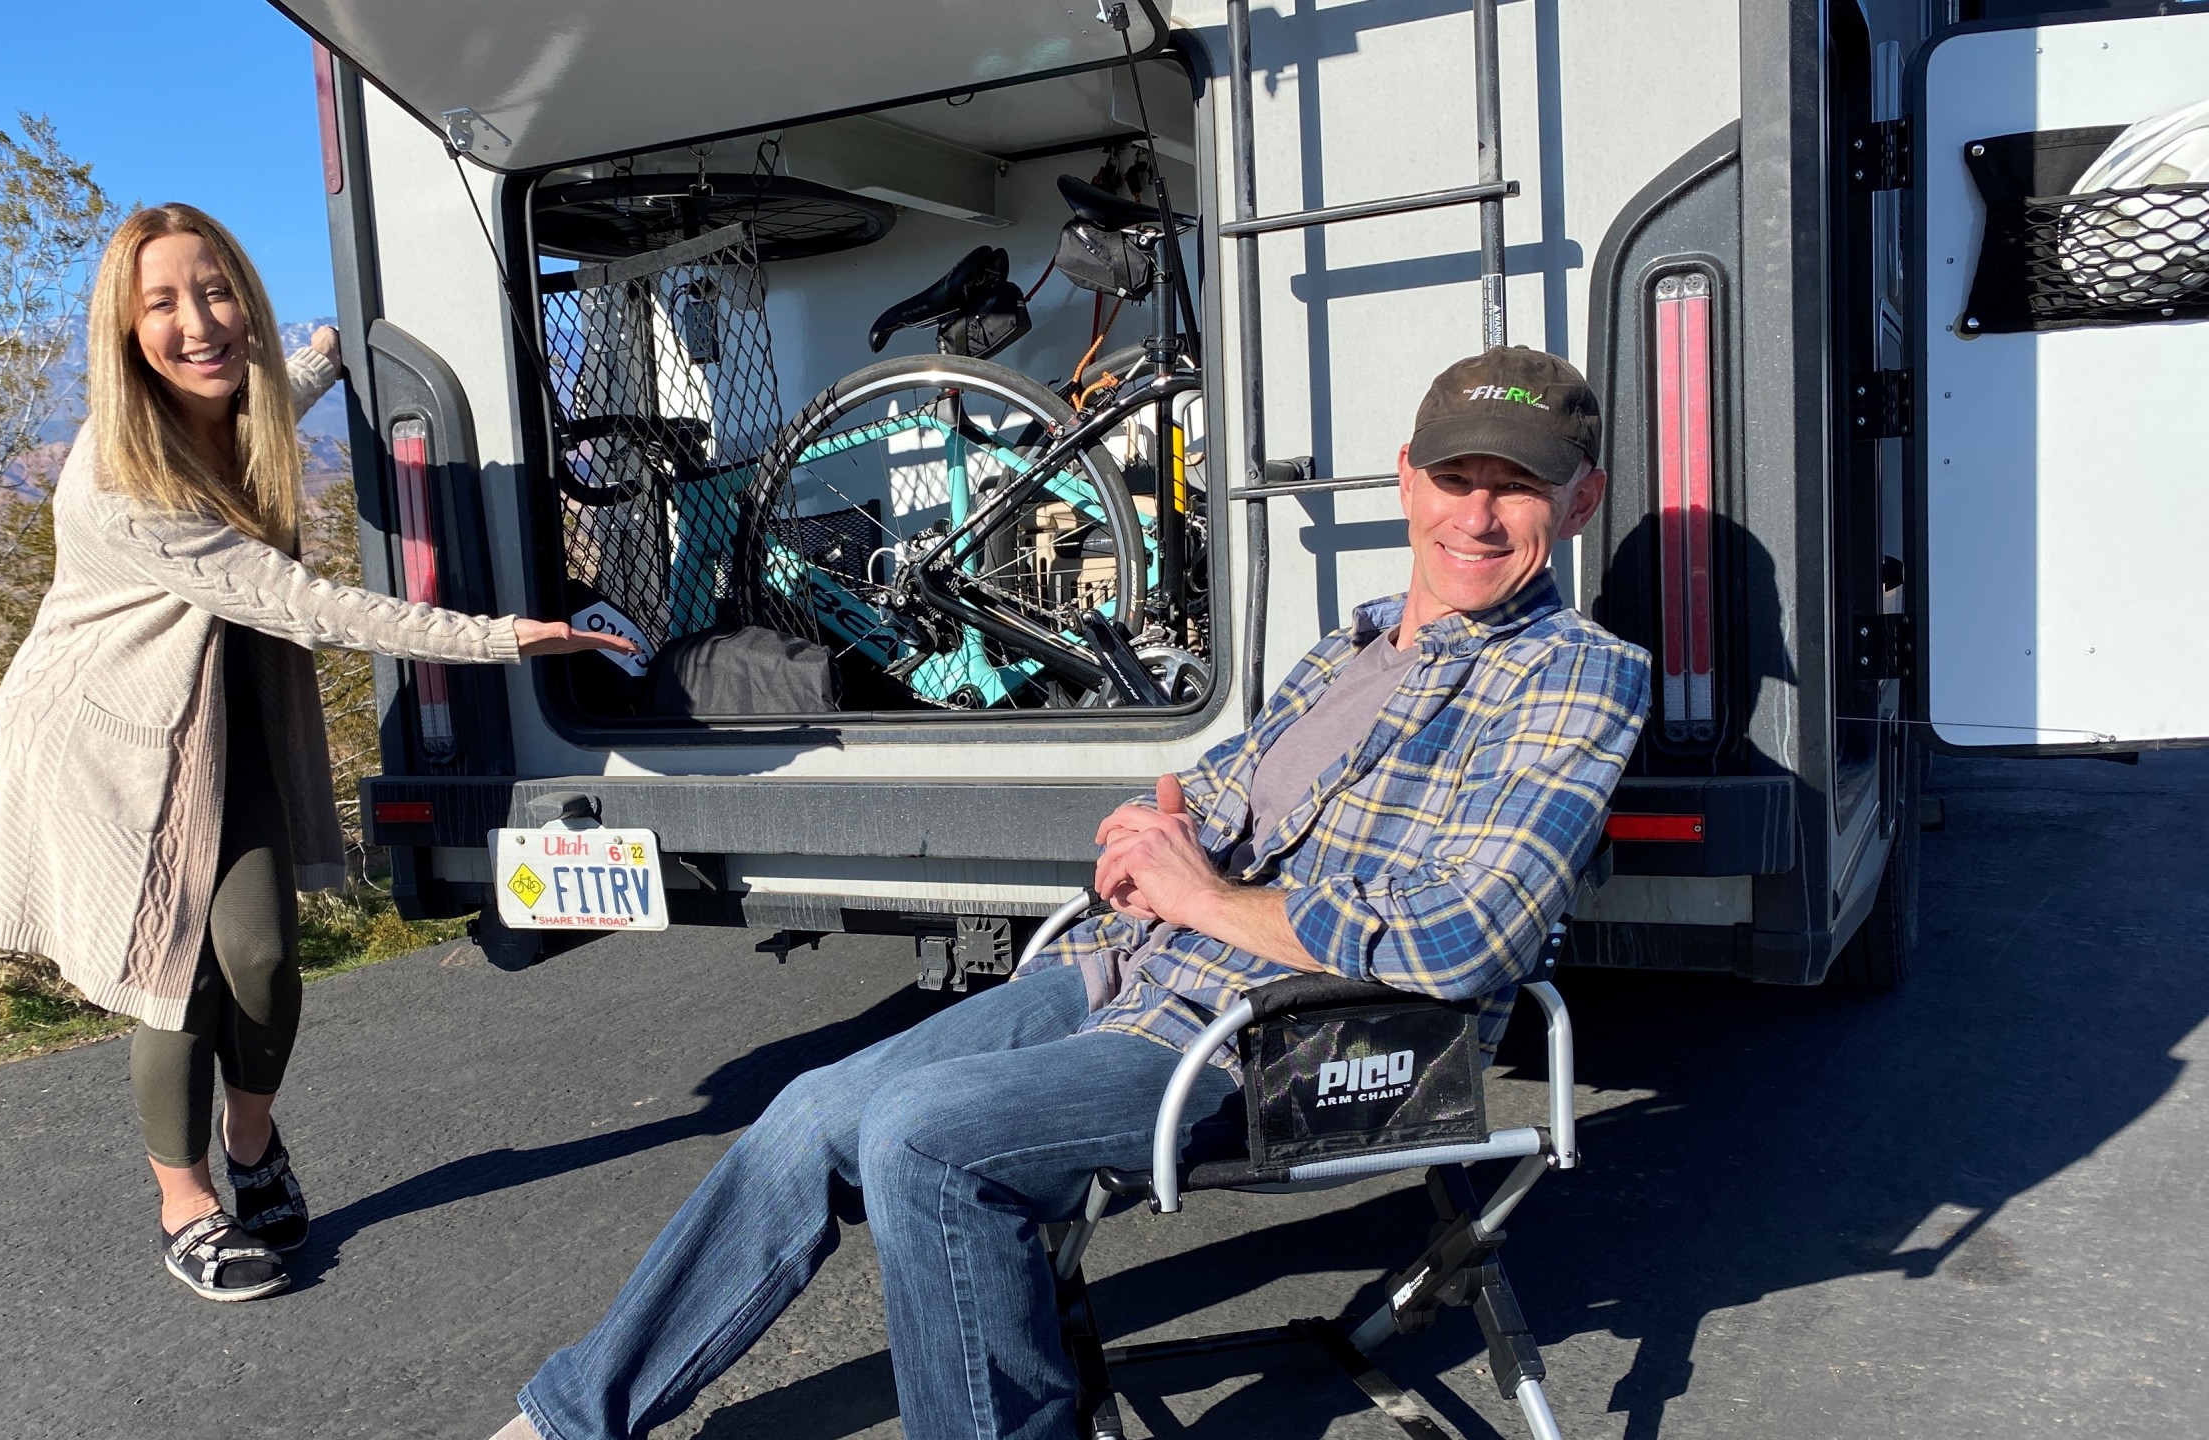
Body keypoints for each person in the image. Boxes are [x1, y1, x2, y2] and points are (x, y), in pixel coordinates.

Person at [490, 346, 1652, 1440]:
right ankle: (575, 1415)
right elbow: (1218, 782)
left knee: (923, 1143)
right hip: (1127, 971)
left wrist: (1198, 895)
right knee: (806, 1115)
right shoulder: (1348, 650)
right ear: (1406, 481)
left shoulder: (1578, 676)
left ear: (1581, 501)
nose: (1477, 516)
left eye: (1519, 488)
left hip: (1298, 1038)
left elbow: (1468, 936)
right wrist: (1155, 824)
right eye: (1455, 477)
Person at [0, 203, 633, 1302]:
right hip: (111, 743)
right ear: (121, 330)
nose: (199, 322)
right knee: (179, 978)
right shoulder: (124, 477)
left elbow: (262, 394)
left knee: (267, 961)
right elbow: (306, 605)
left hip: (220, 722)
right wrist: (507, 637)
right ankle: (184, 1203)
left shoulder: (224, 407)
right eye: (163, 303)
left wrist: (330, 353)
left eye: (216, 288)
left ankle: (251, 1146)